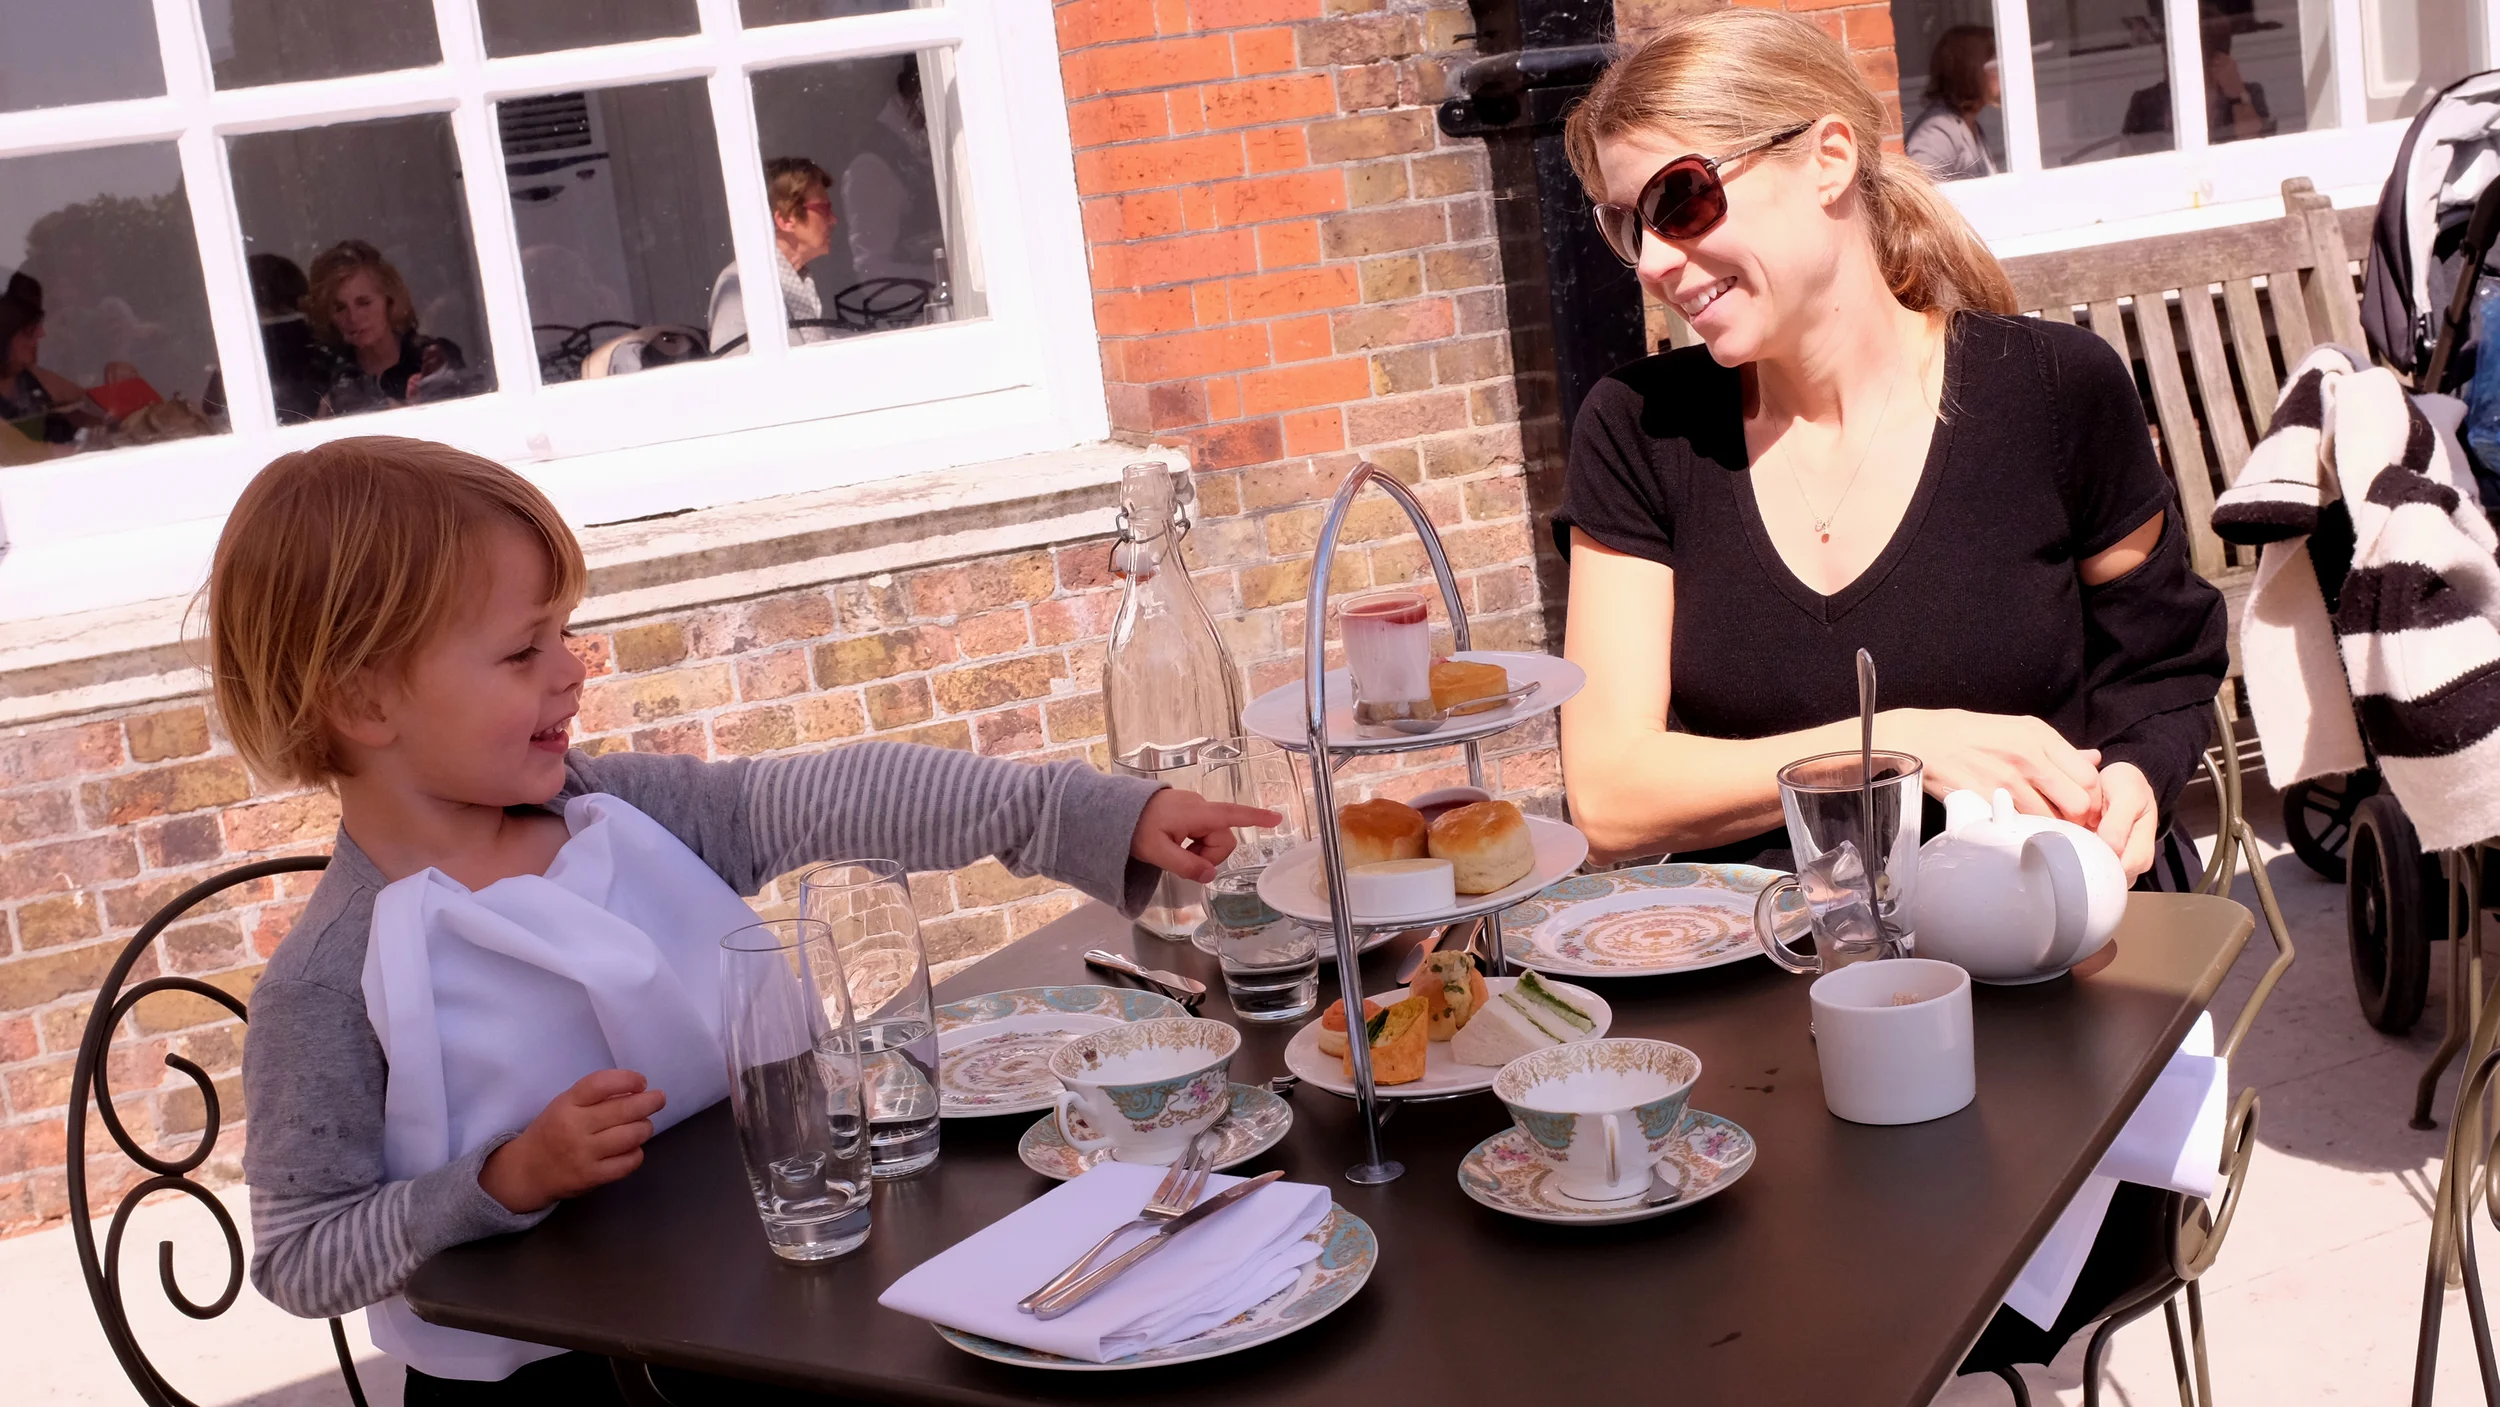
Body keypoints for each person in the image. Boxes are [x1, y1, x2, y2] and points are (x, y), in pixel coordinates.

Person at [221, 436, 1271, 1400]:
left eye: (563, 633)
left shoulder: (616, 811)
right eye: (521, 651)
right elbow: (301, 1256)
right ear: (364, 702)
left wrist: (1085, 815)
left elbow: (837, 796)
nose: (573, 670)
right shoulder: (327, 979)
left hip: (770, 1315)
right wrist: (502, 1179)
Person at [1553, 10, 2228, 887]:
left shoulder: (2052, 392)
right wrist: (1894, 747)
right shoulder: (1642, 428)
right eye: (1625, 225)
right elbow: (1609, 797)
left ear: (1829, 159)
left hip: (2036, 926)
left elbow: (2162, 668)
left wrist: (2135, 780)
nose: (1649, 261)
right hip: (1772, 949)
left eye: (1679, 200)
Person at [304, 240, 469, 417]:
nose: (353, 317)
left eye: (364, 303)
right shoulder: (325, 374)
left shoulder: (429, 358)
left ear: (389, 301)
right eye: (340, 308)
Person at [707, 156, 839, 354]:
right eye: (824, 209)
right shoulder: (742, 286)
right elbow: (734, 368)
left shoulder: (796, 278)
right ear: (786, 220)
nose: (833, 219)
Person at [0, 271, 115, 453]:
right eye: (29, 331)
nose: (41, 334)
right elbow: (14, 449)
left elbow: (90, 404)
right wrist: (76, 450)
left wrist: (118, 381)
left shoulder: (31, 378)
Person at [1904, 26, 1999, 182]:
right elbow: (1922, 190)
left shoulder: (1970, 124)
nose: (2002, 72)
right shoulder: (1936, 132)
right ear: (1971, 71)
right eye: (1994, 64)